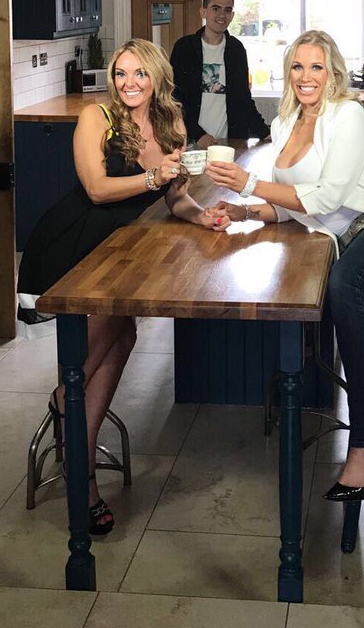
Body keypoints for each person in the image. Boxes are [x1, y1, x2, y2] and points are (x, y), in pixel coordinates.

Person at [205, 29, 364, 539]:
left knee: (343, 282)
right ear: (288, 73)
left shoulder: (349, 117)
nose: (306, 77)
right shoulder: (284, 124)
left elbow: (326, 197)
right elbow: (295, 206)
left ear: (333, 74)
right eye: (297, 67)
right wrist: (245, 210)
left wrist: (250, 183)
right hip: (360, 244)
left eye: (316, 67)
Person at [17, 38, 231, 535]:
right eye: (120, 73)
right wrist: (154, 176)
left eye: (139, 74)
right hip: (76, 243)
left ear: (156, 78)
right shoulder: (97, 118)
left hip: (122, 247)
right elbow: (96, 190)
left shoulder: (172, 124)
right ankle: (76, 446)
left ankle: (73, 430)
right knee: (102, 341)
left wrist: (203, 217)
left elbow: (175, 198)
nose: (128, 83)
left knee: (124, 334)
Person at [170, 0, 271, 148]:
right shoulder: (185, 48)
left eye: (227, 10)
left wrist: (265, 133)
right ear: (203, 12)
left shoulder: (236, 50)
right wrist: (198, 134)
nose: (222, 15)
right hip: (190, 141)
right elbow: (174, 99)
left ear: (232, 16)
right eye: (215, 9)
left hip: (230, 142)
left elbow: (243, 99)